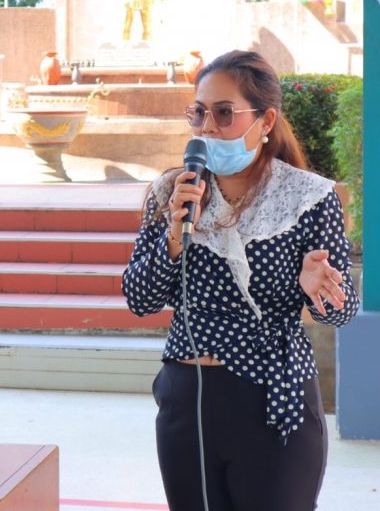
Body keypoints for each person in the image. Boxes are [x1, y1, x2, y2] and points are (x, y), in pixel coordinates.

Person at [122, 50, 359, 511]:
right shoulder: (172, 192)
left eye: (224, 113)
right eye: (199, 112)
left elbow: (343, 311)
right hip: (187, 401)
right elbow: (139, 298)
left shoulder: (309, 197)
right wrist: (175, 233)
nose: (207, 127)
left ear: (265, 120)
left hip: (272, 398)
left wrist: (318, 290)